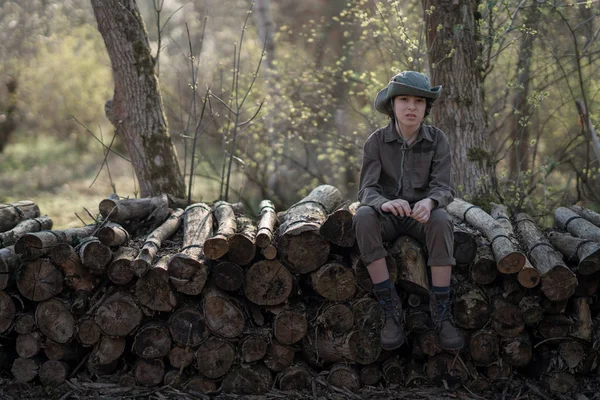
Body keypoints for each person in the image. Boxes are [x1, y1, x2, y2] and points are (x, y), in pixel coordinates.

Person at [353, 71, 464, 351]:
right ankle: (390, 307)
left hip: (421, 218)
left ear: (427, 107)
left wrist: (429, 203)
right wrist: (384, 203)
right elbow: (366, 190)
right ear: (392, 105)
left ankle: (441, 310)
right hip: (387, 218)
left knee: (441, 219)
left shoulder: (438, 140)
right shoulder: (376, 142)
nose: (411, 107)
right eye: (404, 99)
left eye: (419, 101)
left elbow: (444, 188)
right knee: (364, 215)